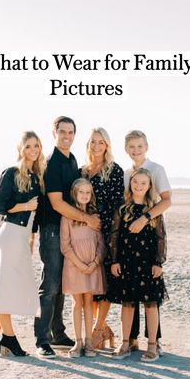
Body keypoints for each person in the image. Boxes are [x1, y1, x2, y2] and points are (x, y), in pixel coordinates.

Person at [34, 116, 100, 359]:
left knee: (63, 284)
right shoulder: (51, 163)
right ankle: (42, 339)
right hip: (52, 229)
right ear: (54, 133)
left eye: (71, 132)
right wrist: (88, 220)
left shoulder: (72, 161)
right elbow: (57, 203)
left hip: (69, 229)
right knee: (50, 286)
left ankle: (57, 333)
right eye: (62, 131)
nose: (67, 136)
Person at [0, 131, 45, 357]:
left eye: (36, 145)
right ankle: (9, 339)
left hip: (22, 236)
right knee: (6, 287)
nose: (33, 150)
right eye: (28, 146)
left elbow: (34, 218)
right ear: (21, 149)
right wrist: (24, 206)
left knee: (15, 287)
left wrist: (31, 239)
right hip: (10, 234)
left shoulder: (36, 177)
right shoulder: (11, 173)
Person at [110, 168, 169, 362]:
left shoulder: (153, 210)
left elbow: (161, 237)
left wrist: (159, 262)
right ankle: (126, 342)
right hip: (127, 262)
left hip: (148, 263)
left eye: (144, 183)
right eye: (136, 182)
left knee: (151, 304)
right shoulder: (122, 208)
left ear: (150, 186)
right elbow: (115, 236)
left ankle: (152, 345)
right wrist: (114, 260)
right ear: (130, 183)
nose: (139, 186)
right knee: (127, 304)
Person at [124, 130, 171, 355]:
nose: (136, 150)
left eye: (139, 146)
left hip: (150, 233)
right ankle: (130, 339)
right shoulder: (126, 174)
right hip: (129, 241)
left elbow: (167, 200)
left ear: (146, 146)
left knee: (151, 294)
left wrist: (145, 218)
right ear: (126, 149)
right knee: (131, 293)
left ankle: (154, 341)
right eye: (131, 147)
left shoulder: (156, 169)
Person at [81, 127, 124, 349]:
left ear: (107, 145)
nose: (96, 146)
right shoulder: (82, 171)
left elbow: (119, 206)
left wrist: (99, 219)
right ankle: (104, 328)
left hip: (107, 233)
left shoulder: (114, 170)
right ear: (88, 144)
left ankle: (97, 330)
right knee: (91, 284)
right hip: (86, 235)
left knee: (105, 283)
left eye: (101, 142)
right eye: (93, 142)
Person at [60, 178, 106, 358]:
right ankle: (77, 341)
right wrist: (80, 265)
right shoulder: (68, 217)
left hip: (92, 266)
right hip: (74, 265)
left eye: (88, 192)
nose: (85, 195)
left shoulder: (95, 217)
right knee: (77, 303)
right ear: (74, 194)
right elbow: (65, 246)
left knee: (89, 303)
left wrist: (94, 263)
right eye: (81, 192)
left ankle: (89, 341)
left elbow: (102, 244)